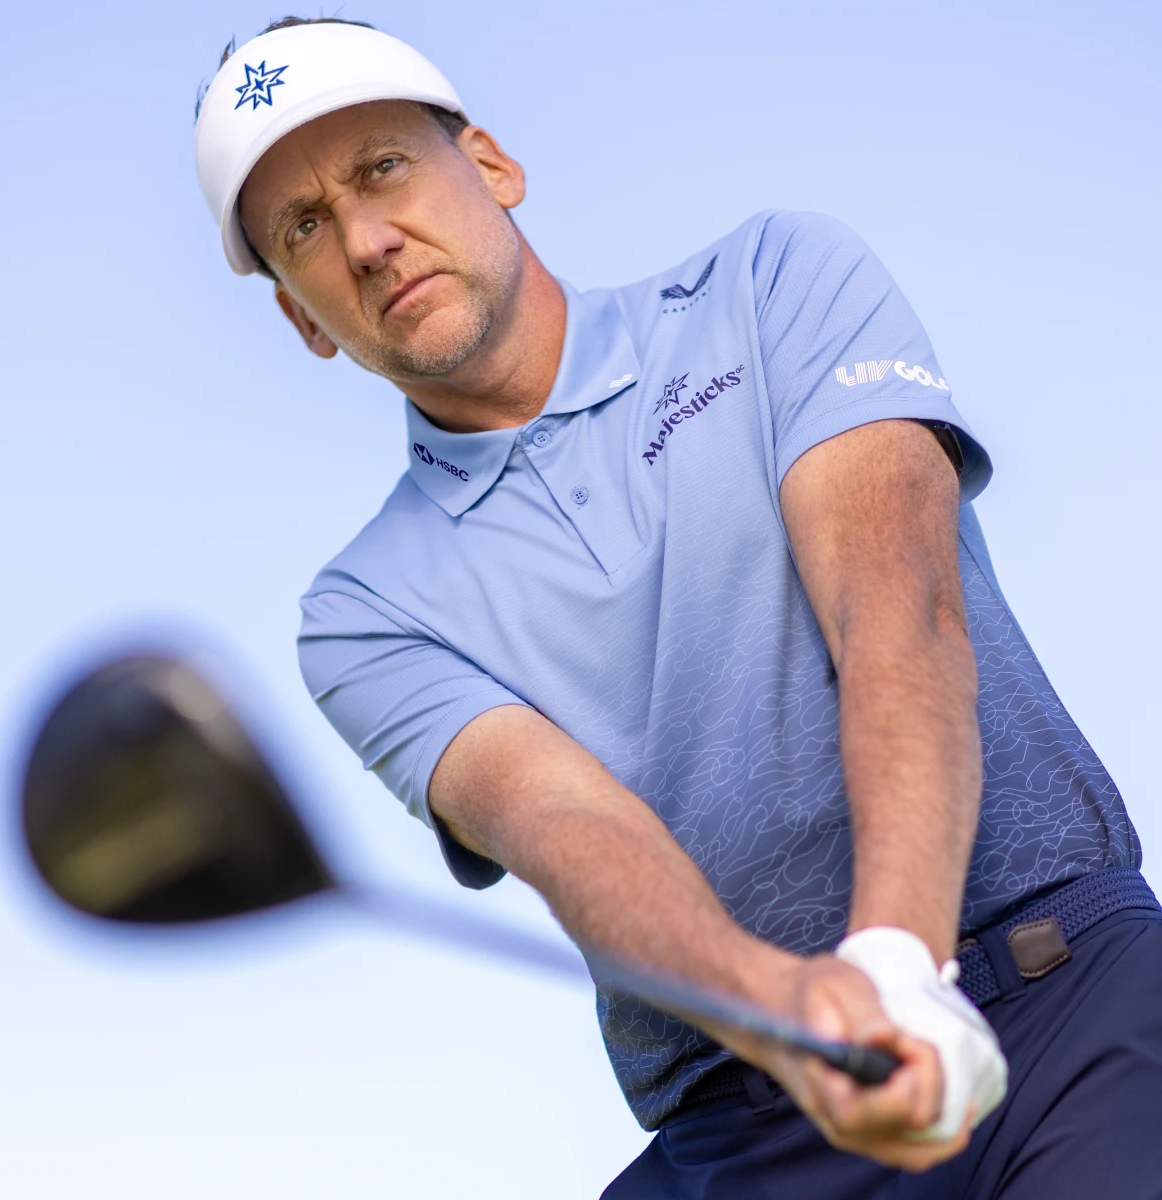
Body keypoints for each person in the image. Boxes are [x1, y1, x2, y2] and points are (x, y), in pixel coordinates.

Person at [194, 16, 1162, 1197]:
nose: (366, 238)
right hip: (744, 1126)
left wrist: (896, 966)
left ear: (491, 165)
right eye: (304, 227)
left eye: (381, 167)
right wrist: (784, 1017)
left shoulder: (772, 286)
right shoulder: (363, 609)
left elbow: (894, 612)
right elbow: (570, 830)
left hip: (1065, 1007)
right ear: (302, 316)